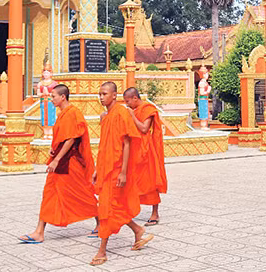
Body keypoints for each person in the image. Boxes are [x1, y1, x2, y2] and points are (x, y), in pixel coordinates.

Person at [18, 84, 98, 244]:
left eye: (53, 96)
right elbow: (63, 138)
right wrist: (53, 149)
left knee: (82, 193)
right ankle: (39, 232)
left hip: (70, 162)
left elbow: (71, 139)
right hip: (62, 161)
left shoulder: (73, 113)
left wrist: (56, 159)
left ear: (63, 97)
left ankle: (102, 221)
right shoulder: (63, 114)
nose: (51, 99)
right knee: (49, 193)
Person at [90, 82, 152, 266]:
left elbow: (126, 143)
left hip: (117, 169)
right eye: (99, 94)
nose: (101, 97)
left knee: (107, 210)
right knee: (112, 207)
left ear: (114, 95)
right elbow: (104, 145)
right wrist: (96, 169)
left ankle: (102, 251)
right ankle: (138, 231)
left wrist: (123, 172)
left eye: (105, 94)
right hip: (106, 167)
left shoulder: (121, 113)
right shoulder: (107, 116)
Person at [123, 87, 168, 226]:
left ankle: (155, 213)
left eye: (128, 101)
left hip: (146, 149)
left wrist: (131, 115)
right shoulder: (134, 110)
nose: (127, 104)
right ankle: (130, 210)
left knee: (150, 181)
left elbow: (143, 128)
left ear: (135, 98)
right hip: (133, 148)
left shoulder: (147, 109)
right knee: (133, 180)